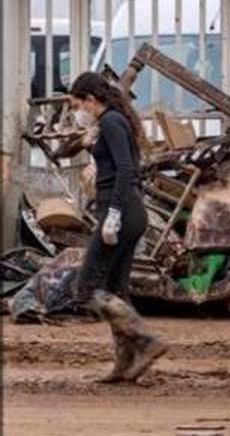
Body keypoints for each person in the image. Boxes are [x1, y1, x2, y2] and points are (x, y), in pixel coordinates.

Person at [68, 71, 167, 383]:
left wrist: (112, 213)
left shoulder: (110, 122)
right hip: (129, 210)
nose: (76, 112)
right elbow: (114, 162)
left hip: (121, 210)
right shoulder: (111, 122)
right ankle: (126, 364)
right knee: (116, 289)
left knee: (85, 287)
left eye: (76, 104)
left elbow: (125, 168)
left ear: (90, 100)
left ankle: (146, 340)